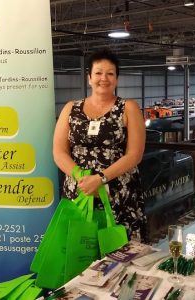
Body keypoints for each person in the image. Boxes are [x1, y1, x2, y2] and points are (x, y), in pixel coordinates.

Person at [53, 48, 146, 242]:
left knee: (119, 254)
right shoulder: (71, 108)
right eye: (98, 73)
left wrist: (100, 179)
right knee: (78, 253)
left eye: (110, 73)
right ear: (89, 77)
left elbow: (135, 154)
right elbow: (59, 151)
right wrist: (83, 177)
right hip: (80, 192)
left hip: (117, 194)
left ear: (117, 79)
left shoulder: (128, 107)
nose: (104, 78)